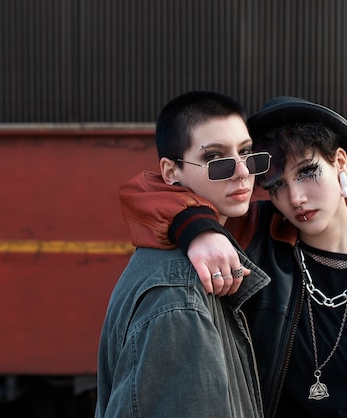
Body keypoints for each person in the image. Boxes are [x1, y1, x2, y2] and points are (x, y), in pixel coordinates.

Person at [121, 96, 347, 417]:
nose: (296, 198)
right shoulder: (251, 231)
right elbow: (146, 192)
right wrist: (198, 229)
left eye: (307, 172)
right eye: (276, 185)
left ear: (340, 164)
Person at [94, 91, 273, 418]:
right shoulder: (179, 294)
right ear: (171, 171)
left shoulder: (186, 253)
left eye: (247, 153)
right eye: (215, 159)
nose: (242, 171)